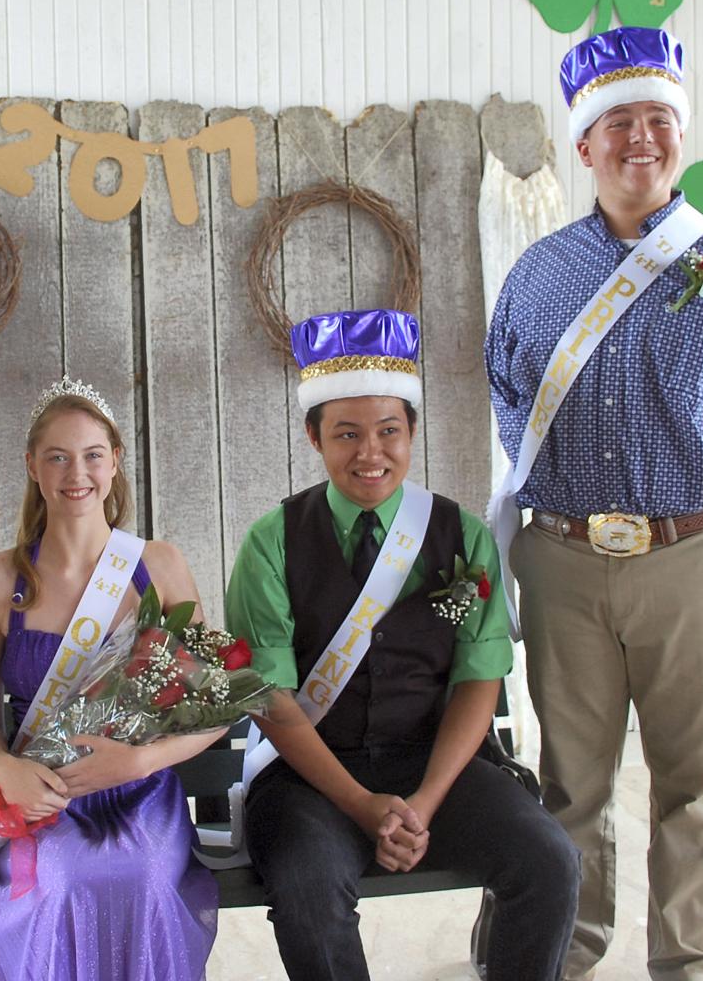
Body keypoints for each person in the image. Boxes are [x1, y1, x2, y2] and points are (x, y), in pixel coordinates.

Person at [484, 27, 703, 981]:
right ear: (584, 146)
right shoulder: (538, 276)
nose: (640, 139)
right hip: (567, 563)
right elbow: (507, 393)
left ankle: (688, 962)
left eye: (659, 120)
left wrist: (701, 498)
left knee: (691, 788)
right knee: (572, 784)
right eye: (617, 122)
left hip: (691, 563)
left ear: (680, 137)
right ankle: (565, 953)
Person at [226, 309, 580, 981]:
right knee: (306, 895)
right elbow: (268, 699)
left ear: (412, 432)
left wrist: (423, 802)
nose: (371, 453)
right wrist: (360, 803)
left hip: (434, 766)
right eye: (347, 434)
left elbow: (480, 679)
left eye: (389, 431)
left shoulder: (460, 534)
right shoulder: (271, 541)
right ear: (313, 436)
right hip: (310, 778)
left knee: (550, 863)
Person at [0, 377, 218, 981]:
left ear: (114, 462)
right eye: (56, 456)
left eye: (91, 455)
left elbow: (213, 707)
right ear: (32, 466)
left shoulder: (157, 565)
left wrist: (139, 764)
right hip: (40, 794)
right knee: (57, 881)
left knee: (139, 876)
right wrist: (7, 771)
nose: (74, 472)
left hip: (139, 793)